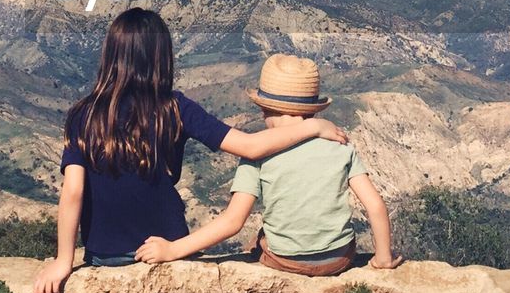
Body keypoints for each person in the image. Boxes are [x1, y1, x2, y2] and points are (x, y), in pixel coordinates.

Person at [33, 9, 349, 293]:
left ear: (110, 56)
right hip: (171, 246)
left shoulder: (83, 115)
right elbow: (251, 146)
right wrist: (314, 127)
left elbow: (73, 192)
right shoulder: (175, 107)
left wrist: (64, 260)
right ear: (162, 59)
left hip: (107, 253)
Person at [135, 53, 402, 276]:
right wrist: (383, 258)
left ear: (264, 110)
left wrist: (173, 249)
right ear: (313, 111)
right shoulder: (339, 144)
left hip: (286, 262)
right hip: (339, 259)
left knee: (257, 241)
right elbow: (375, 205)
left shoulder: (257, 153)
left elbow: (232, 222)